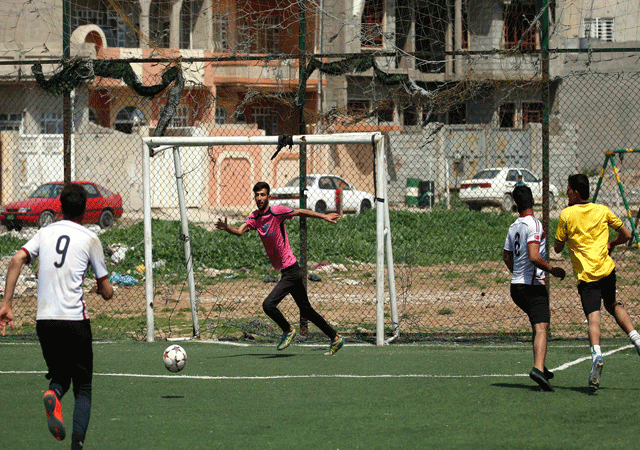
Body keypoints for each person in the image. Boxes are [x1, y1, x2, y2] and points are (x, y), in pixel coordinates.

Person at [0, 183, 114, 449]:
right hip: (75, 322)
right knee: (83, 387)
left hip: (45, 322)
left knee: (61, 376)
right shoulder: (90, 238)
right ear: (85, 210)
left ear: (60, 207)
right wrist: (104, 290)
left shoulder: (44, 233)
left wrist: (7, 304)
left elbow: (16, 260)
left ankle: (53, 393)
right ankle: (77, 445)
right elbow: (106, 289)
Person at [215, 181, 345, 355]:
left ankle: (288, 330)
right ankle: (335, 337)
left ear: (269, 197)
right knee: (306, 310)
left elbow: (300, 211)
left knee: (268, 305)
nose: (259, 198)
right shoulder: (255, 218)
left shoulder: (277, 212)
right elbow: (239, 231)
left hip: (292, 270)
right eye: (257, 195)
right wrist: (226, 228)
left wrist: (324, 216)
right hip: (289, 271)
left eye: (263, 195)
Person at [554, 174, 640, 393]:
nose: (566, 192)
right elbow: (627, 234)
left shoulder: (567, 214)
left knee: (594, 316)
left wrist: (563, 240)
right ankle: (637, 340)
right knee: (613, 304)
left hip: (587, 275)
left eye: (568, 189)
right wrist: (613, 242)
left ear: (575, 192)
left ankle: (597, 355)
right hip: (607, 270)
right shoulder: (602, 210)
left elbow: (556, 247)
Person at [503, 185, 566, 391]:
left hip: (516, 287)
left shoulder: (513, 226)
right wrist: (552, 269)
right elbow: (533, 255)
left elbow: (506, 256)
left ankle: (541, 365)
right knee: (541, 327)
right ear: (534, 201)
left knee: (538, 324)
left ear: (515, 205)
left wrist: (517, 273)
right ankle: (538, 369)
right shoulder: (534, 224)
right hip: (531, 286)